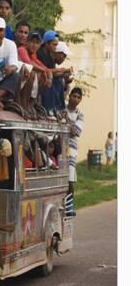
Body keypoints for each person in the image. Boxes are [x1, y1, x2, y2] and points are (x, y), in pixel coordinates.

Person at [17, 31, 53, 111]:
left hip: (23, 83)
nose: (34, 45)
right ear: (27, 42)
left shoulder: (33, 55)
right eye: (32, 42)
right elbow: (28, 63)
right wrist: (44, 71)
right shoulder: (22, 49)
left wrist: (49, 77)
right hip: (16, 83)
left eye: (37, 43)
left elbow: (45, 68)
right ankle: (23, 104)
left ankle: (30, 104)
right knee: (32, 73)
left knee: (42, 77)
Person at [66, 87, 84, 216]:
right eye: (74, 96)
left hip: (71, 148)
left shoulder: (80, 114)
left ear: (80, 100)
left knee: (70, 179)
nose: (76, 99)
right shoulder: (61, 107)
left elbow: (74, 132)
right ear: (69, 96)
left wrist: (66, 121)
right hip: (57, 145)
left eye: (78, 97)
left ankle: (69, 206)